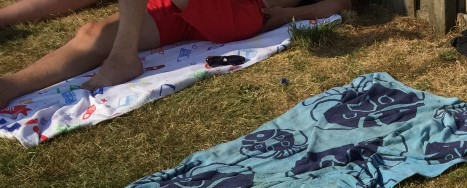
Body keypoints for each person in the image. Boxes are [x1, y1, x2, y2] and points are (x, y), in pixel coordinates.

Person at [0, 0, 348, 107]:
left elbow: (340, 1)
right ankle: (10, 85)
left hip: (238, 11)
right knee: (93, 34)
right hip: (191, 9)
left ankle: (124, 57)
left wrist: (293, 14)